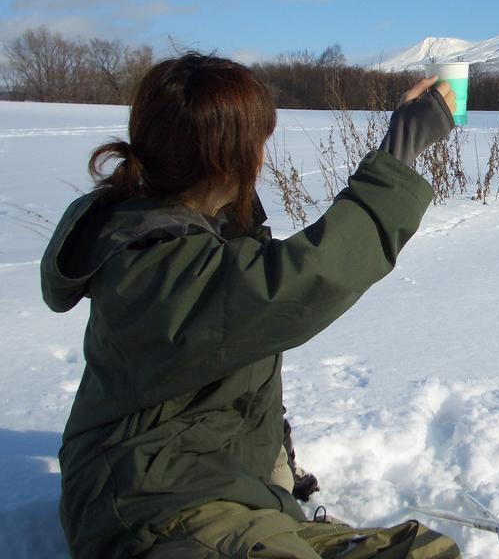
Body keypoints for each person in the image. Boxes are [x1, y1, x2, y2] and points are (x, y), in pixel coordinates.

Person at [41, 53, 462, 559]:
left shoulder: (194, 234)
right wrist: (400, 152)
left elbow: (230, 359)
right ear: (229, 160)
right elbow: (308, 278)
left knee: (425, 552)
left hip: (226, 495)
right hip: (153, 509)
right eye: (257, 144)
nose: (263, 159)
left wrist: (275, 461)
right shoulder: (156, 266)